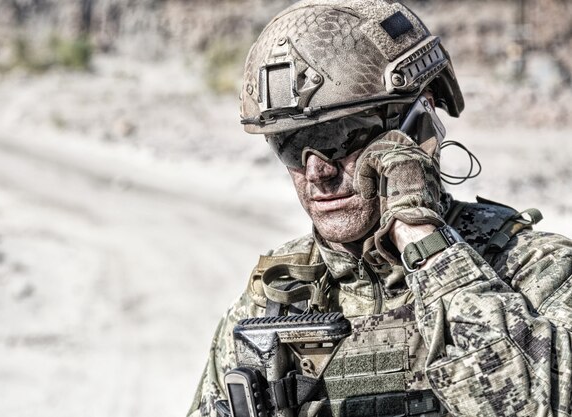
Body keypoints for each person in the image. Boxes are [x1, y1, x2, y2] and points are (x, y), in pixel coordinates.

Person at [188, 0, 572, 416]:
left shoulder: (537, 272)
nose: (316, 170)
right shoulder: (271, 301)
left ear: (417, 125)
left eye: (340, 134)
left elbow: (533, 406)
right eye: (291, 145)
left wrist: (421, 235)